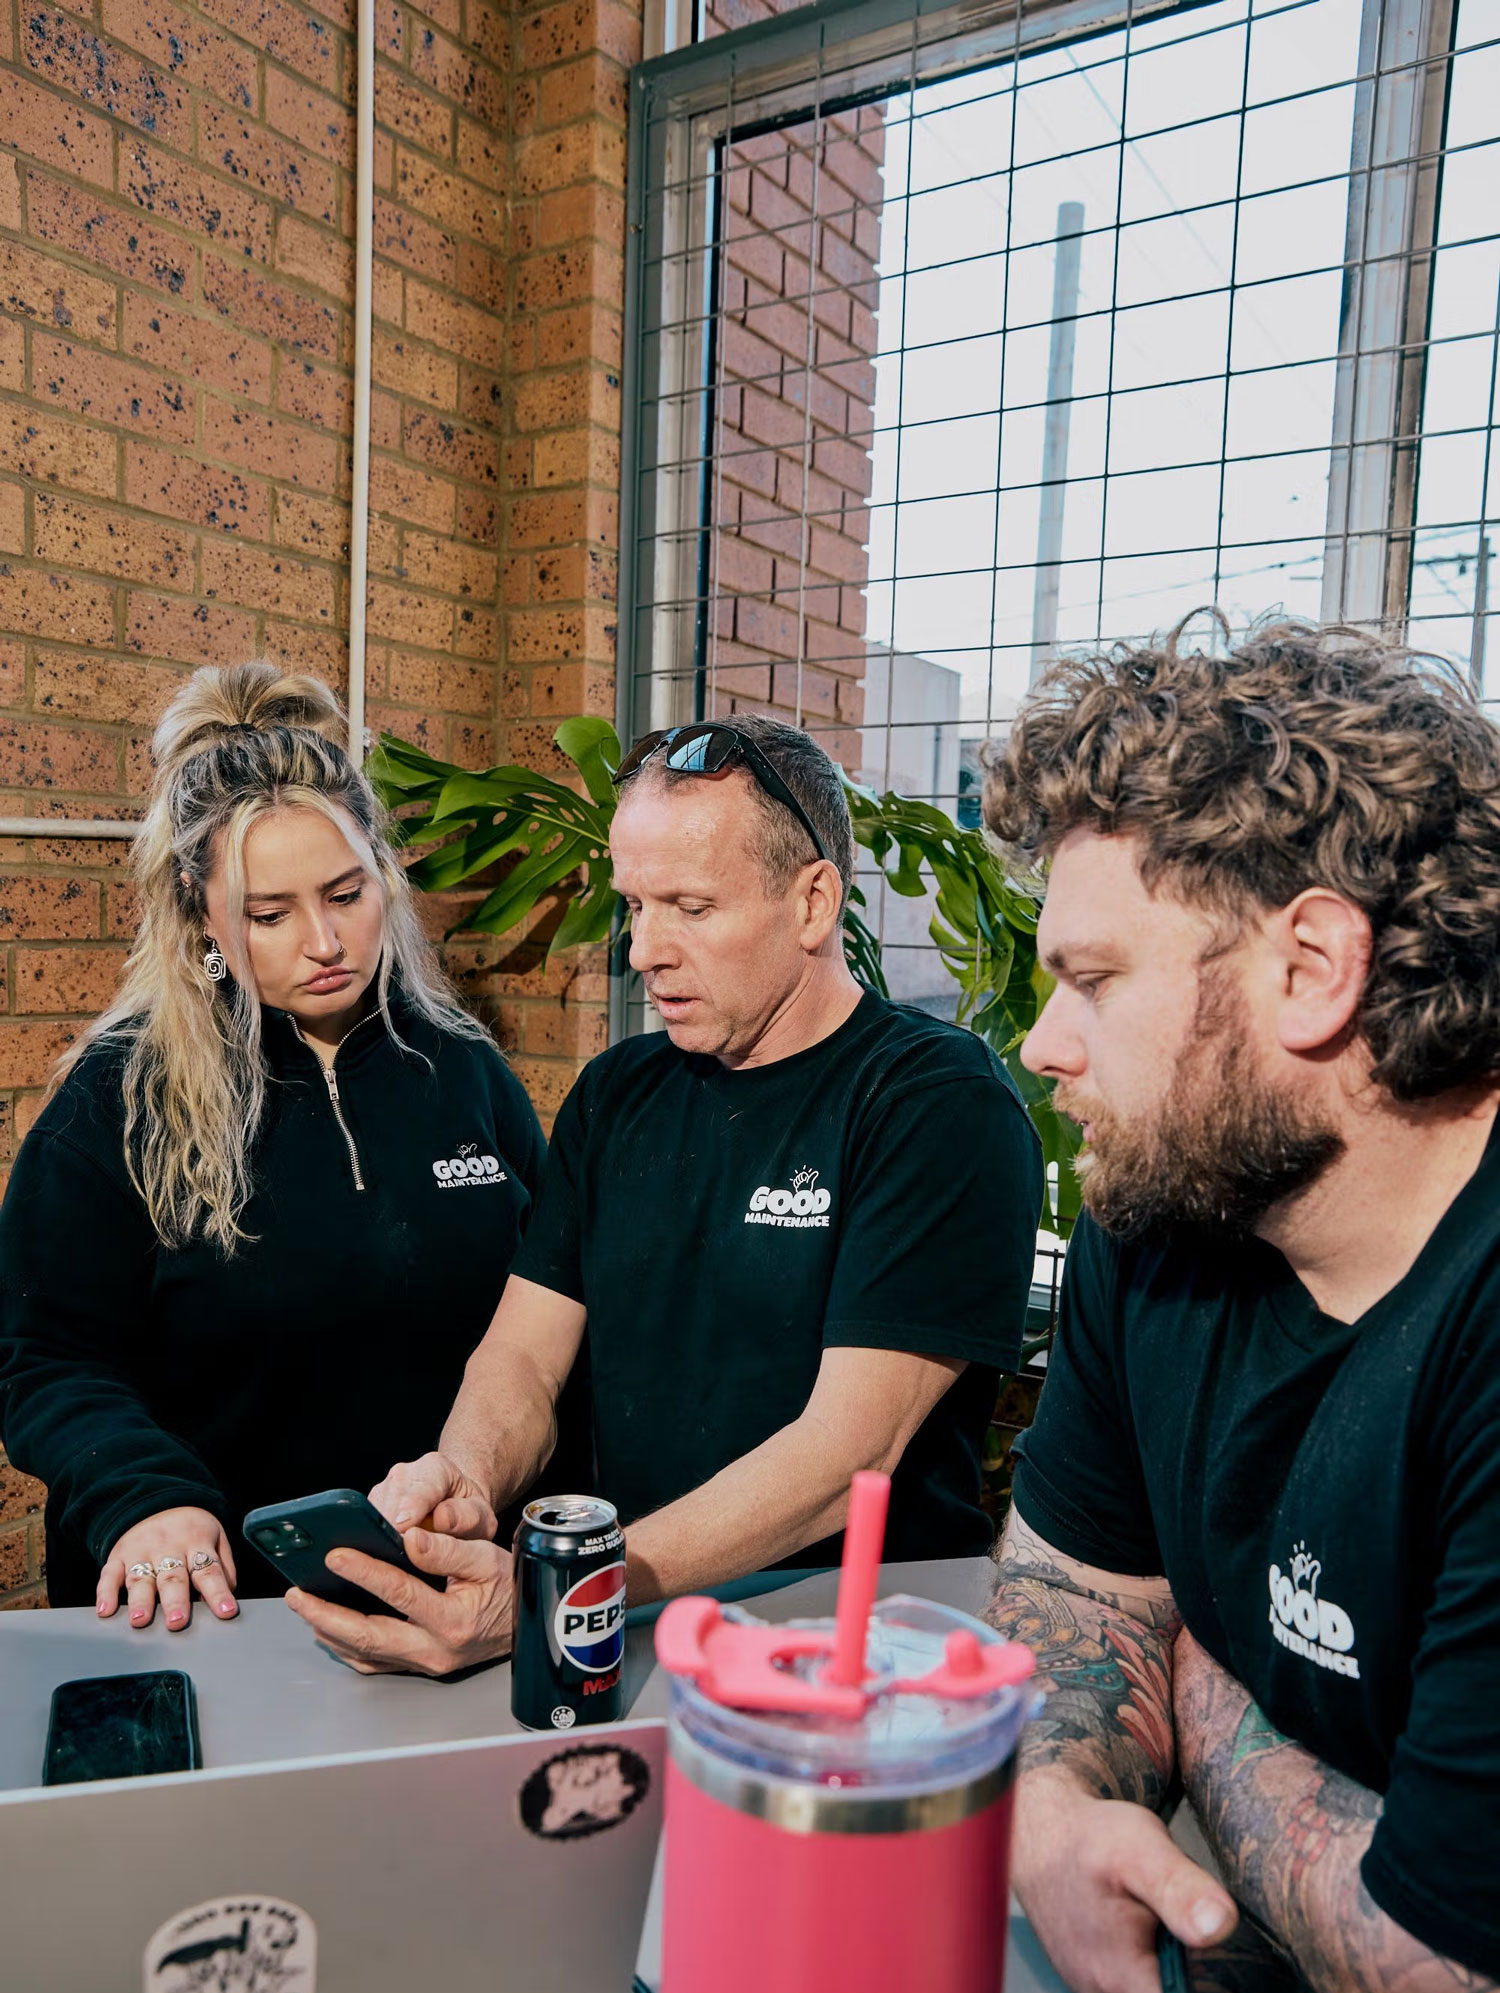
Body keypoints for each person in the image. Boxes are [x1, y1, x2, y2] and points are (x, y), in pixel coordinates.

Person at [980, 618, 1500, 1993]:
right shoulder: (1166, 1217)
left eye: (1091, 978)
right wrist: (1054, 1821)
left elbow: (1473, 1982)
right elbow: (1078, 1600)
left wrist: (1202, 1694)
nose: (1041, 1040)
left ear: (1314, 967)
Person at [285, 715, 1044, 1675]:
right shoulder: (618, 1092)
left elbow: (842, 1457)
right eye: (635, 906)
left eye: (689, 906)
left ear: (813, 903)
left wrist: (573, 1581)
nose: (645, 949)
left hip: (855, 1647)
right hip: (638, 1625)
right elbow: (522, 1356)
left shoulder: (934, 1103)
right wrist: (467, 1477)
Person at [0, 662, 550, 1626]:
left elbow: (549, 1313)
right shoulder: (119, 1099)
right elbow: (44, 1355)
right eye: (270, 914)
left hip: (447, 1603)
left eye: (345, 894)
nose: (324, 940)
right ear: (204, 916)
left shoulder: (466, 1074)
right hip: (218, 1613)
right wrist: (143, 1495)